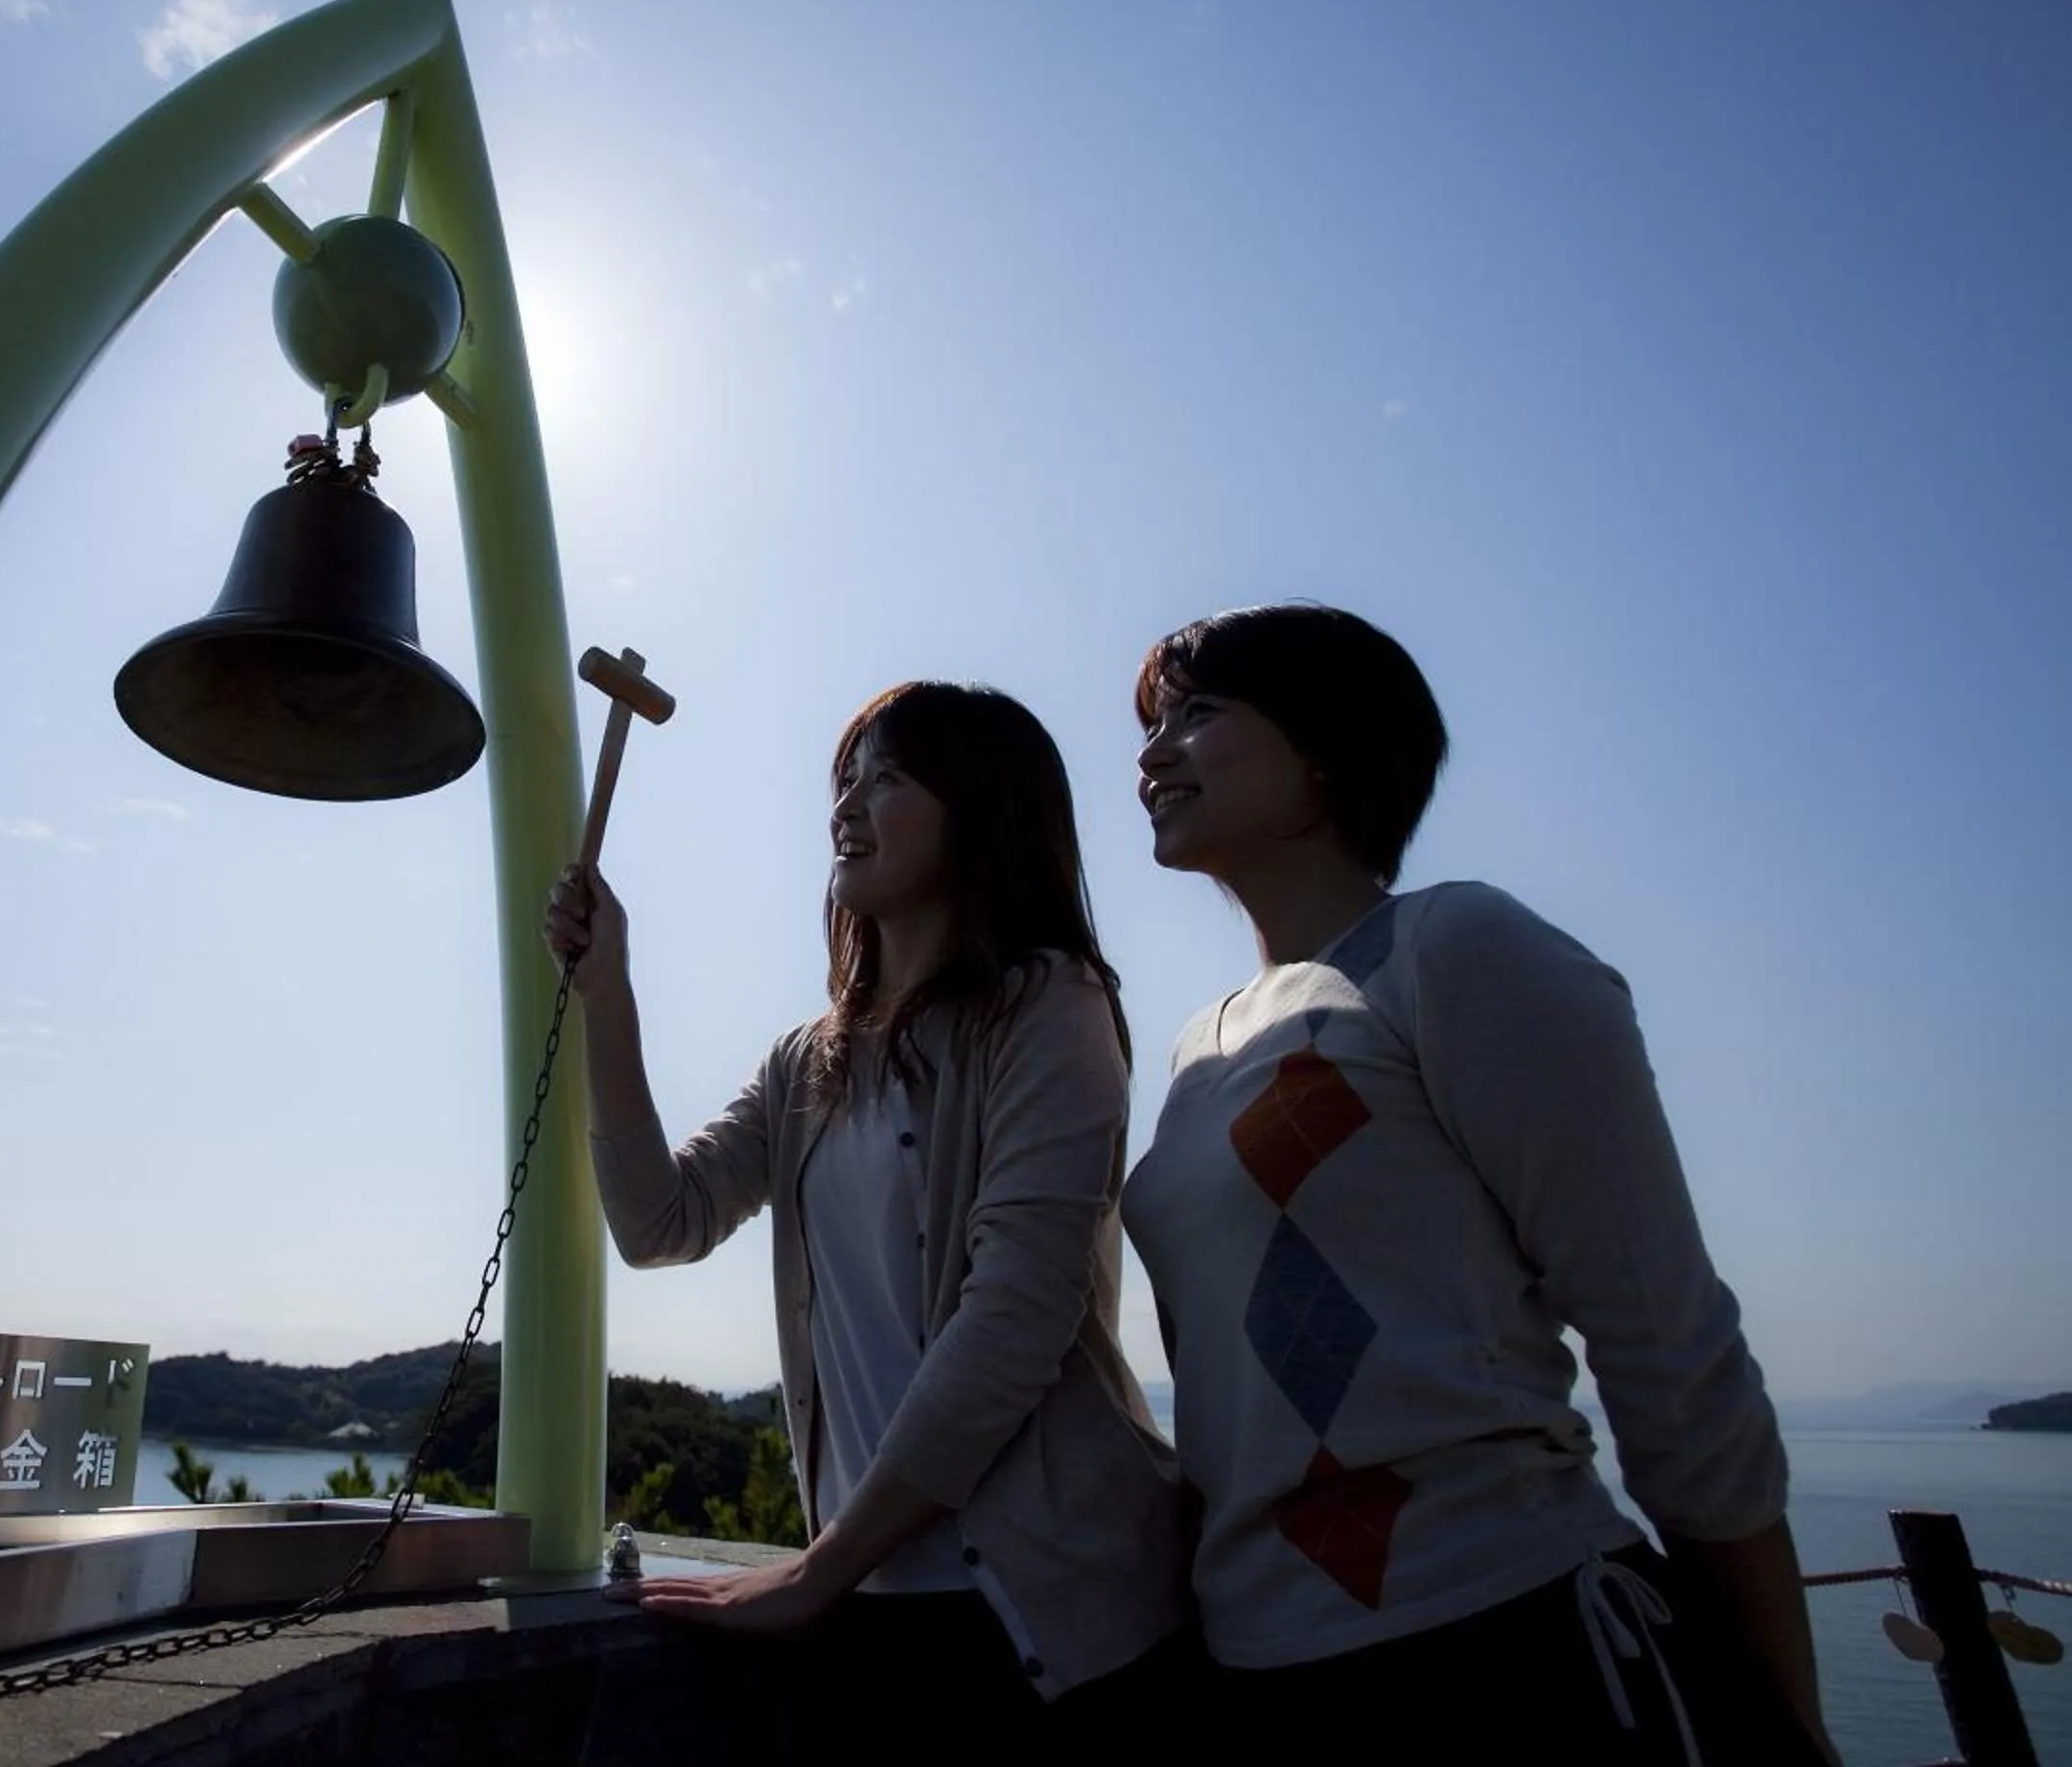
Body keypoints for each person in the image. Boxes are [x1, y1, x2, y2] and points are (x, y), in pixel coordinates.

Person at [1123, 602, 1833, 1763]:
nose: (1153, 752)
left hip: (1509, 1649)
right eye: (1155, 722)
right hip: (1255, 1670)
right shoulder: (1199, 1047)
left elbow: (1670, 1357)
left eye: (1199, 714)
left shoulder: (1453, 950)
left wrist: (1787, 1723)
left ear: (1326, 747)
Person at [542, 680, 1193, 1756]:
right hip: (874, 1601)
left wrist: (818, 1565)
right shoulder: (811, 1057)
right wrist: (609, 992)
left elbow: (1017, 1313)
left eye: (889, 778)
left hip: (1063, 1613)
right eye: (845, 778)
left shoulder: (1049, 1004)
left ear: (983, 808)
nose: (848, 804)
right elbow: (661, 1220)